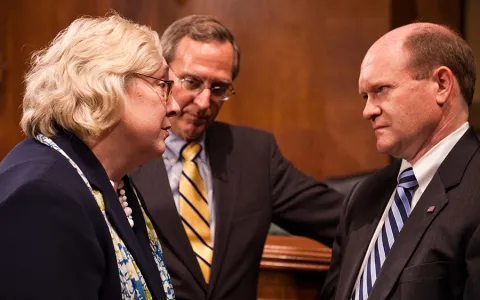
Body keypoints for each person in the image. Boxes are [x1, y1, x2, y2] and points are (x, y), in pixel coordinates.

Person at [130, 15, 343, 299]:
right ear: (163, 75)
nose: (205, 102)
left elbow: (345, 220)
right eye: (191, 82)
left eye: (218, 89)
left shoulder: (254, 153)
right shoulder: (129, 152)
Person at [0, 13, 181, 300]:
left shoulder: (111, 178)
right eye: (163, 85)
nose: (174, 106)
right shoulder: (41, 195)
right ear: (108, 85)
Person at [318, 23, 480, 300]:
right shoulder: (364, 196)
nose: (368, 111)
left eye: (381, 89)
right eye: (364, 96)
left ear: (442, 84)